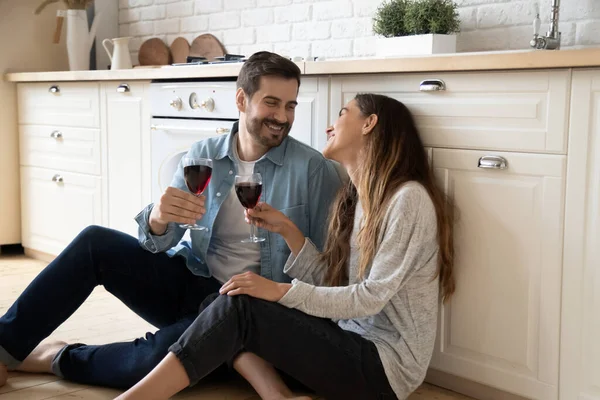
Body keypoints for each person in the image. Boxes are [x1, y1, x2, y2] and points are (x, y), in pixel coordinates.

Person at [0, 51, 343, 390]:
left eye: (290, 105)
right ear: (242, 99)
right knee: (95, 243)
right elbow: (159, 241)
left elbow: (329, 271)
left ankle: (57, 357)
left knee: (155, 361)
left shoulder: (314, 171)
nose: (282, 116)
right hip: (196, 284)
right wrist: (159, 218)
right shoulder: (202, 156)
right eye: (272, 103)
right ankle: (3, 348)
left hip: (249, 312)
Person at [114, 93, 456, 400]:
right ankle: (277, 395)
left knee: (241, 307)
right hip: (351, 343)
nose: (329, 126)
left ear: (370, 123)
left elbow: (369, 299)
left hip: (384, 370)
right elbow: (338, 288)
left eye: (342, 113)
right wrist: (288, 231)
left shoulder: (408, 199)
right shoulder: (359, 200)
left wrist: (278, 291)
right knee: (224, 297)